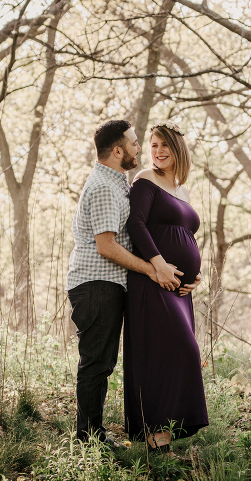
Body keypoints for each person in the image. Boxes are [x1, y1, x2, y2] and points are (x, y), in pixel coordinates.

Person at [65, 119, 185, 445]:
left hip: (106, 285)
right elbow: (106, 246)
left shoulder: (116, 182)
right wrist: (151, 268)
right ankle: (89, 440)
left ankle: (92, 435)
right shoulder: (104, 187)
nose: (139, 148)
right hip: (95, 284)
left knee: (102, 362)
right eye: (134, 143)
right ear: (117, 150)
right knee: (97, 362)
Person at [123, 121, 209, 455]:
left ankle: (164, 439)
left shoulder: (182, 189)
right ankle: (154, 431)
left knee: (173, 355)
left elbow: (186, 237)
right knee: (176, 350)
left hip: (180, 290)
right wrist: (157, 262)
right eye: (153, 145)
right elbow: (136, 223)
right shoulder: (145, 179)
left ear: (178, 150)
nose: (157, 152)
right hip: (152, 282)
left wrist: (195, 274)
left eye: (164, 146)